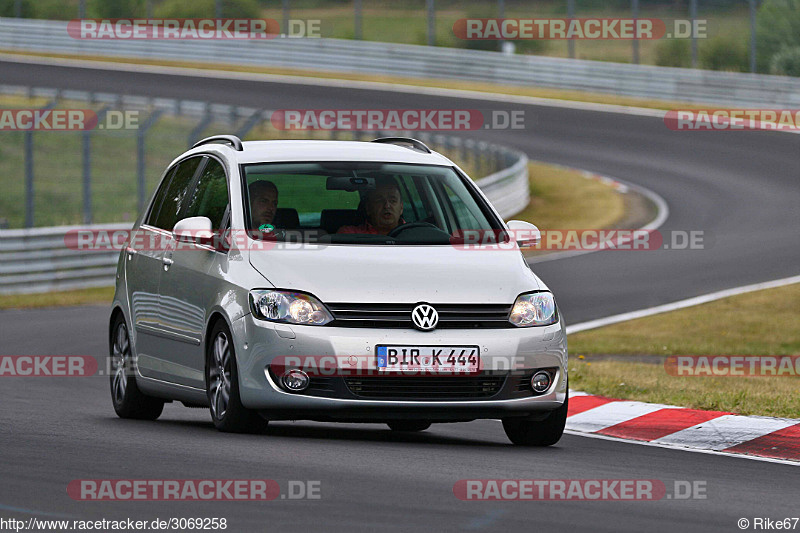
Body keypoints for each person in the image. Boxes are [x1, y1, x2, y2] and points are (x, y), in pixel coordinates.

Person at [338, 177, 405, 235]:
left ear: (401, 208)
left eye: (393, 201)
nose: (387, 206)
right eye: (379, 201)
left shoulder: (413, 233)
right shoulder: (349, 234)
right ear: (368, 208)